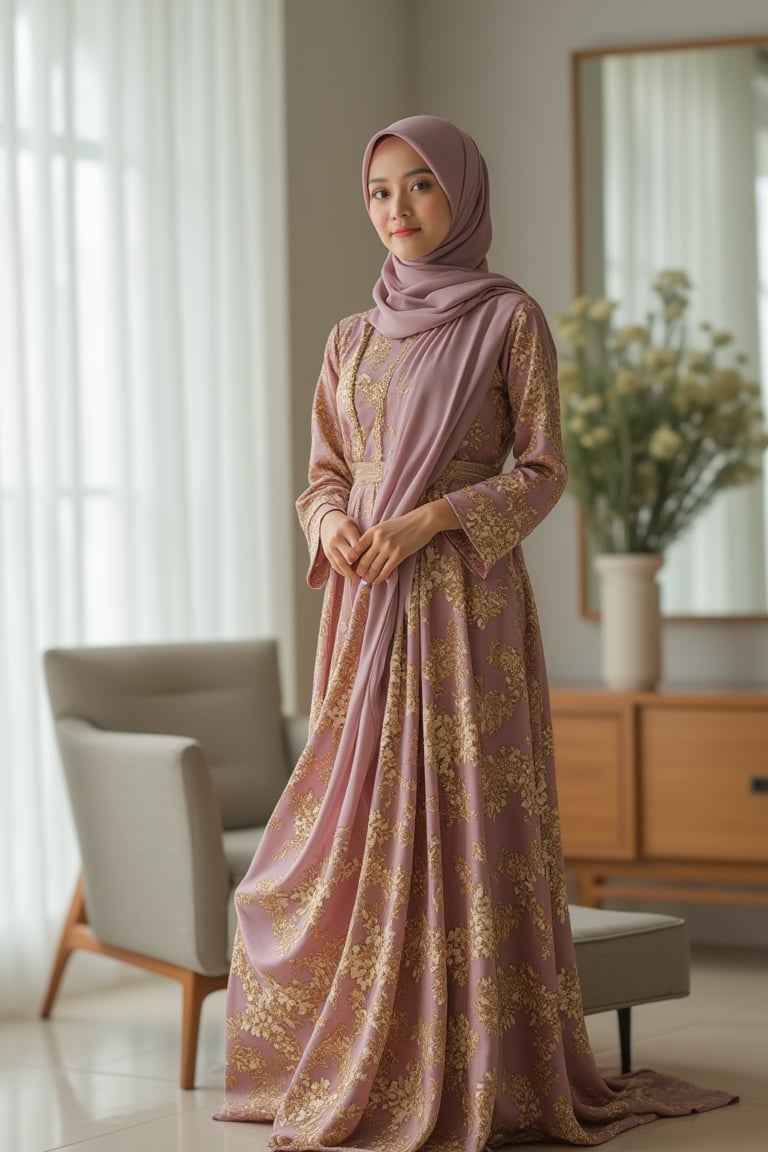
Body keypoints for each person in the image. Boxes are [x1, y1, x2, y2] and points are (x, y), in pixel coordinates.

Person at [216, 115, 735, 1148]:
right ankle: (361, 1042)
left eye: (418, 187)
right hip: (363, 611)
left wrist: (427, 521)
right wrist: (332, 520)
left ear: (461, 193)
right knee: (349, 826)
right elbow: (321, 470)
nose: (397, 211)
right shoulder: (348, 339)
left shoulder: (509, 320)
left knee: (459, 816)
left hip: (463, 608)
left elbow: (542, 470)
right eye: (378, 193)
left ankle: (476, 1062)